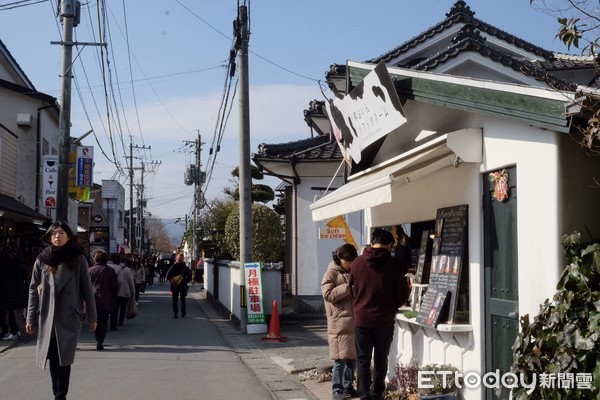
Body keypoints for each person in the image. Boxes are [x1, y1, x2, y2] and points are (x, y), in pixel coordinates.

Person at [25, 221, 97, 400]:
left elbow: (87, 289)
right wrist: (30, 317)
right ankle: (57, 393)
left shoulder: (78, 259)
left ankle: (60, 395)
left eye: (62, 233)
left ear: (69, 236)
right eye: (54, 233)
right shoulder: (42, 260)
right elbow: (33, 289)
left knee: (64, 358)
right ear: (49, 237)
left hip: (69, 315)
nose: (58, 236)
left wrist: (93, 317)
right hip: (47, 315)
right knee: (52, 357)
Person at [349, 228, 410, 400]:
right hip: (384, 319)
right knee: (381, 359)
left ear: (372, 241)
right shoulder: (394, 264)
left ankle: (363, 395)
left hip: (361, 319)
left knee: (362, 359)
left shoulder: (357, 263)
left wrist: (360, 303)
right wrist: (393, 306)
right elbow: (402, 292)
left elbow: (351, 288)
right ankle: (377, 393)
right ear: (389, 245)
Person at [321, 244, 360, 400]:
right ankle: (337, 389)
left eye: (352, 261)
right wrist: (347, 287)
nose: (350, 263)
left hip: (354, 320)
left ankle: (348, 387)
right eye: (348, 261)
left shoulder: (353, 272)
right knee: (339, 358)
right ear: (340, 259)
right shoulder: (330, 273)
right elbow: (328, 294)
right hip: (339, 322)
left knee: (352, 357)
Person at [88, 249, 118, 350]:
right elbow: (114, 286)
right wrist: (114, 296)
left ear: (95, 259)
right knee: (103, 321)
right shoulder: (110, 270)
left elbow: (85, 285)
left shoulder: (90, 270)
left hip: (92, 299)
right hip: (106, 299)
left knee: (94, 320)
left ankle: (97, 338)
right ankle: (100, 341)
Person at [0, 246, 27, 341]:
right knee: (11, 311)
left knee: (8, 311)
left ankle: (12, 331)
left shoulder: (5, 258)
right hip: (14, 288)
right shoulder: (11, 255)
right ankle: (13, 330)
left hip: (9, 289)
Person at [107, 253, 134, 329]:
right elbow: (127, 281)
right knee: (123, 307)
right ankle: (120, 321)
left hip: (110, 291)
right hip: (123, 291)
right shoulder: (127, 269)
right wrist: (133, 292)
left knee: (114, 308)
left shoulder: (108, 267)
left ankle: (111, 322)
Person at [166, 252, 192, 319]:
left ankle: (175, 313)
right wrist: (185, 281)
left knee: (175, 300)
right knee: (182, 299)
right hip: (183, 285)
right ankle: (183, 313)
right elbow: (189, 276)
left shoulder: (173, 267)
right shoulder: (185, 267)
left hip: (174, 285)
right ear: (183, 259)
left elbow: (167, 275)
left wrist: (172, 280)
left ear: (177, 259)